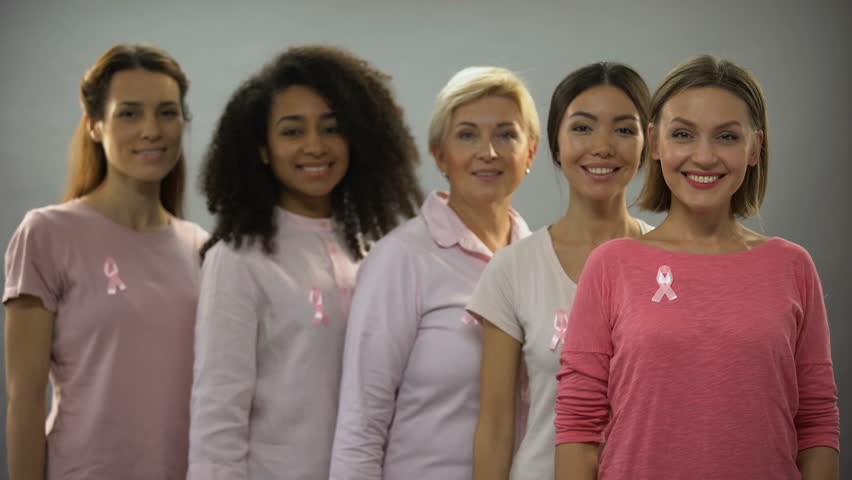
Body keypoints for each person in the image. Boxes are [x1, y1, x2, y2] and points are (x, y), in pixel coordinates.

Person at [554, 55, 840, 479]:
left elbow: (816, 421)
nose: (704, 157)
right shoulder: (612, 266)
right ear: (655, 143)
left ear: (755, 148)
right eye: (683, 134)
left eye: (726, 136)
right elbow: (579, 424)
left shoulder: (793, 267)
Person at [187, 45, 423, 480]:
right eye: (292, 132)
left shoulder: (374, 253)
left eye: (331, 128)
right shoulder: (238, 259)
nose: (315, 146)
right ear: (262, 148)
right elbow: (217, 414)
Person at [4, 43, 207, 480]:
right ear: (95, 125)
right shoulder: (47, 234)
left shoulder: (204, 250)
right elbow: (24, 400)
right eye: (129, 113)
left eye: (167, 112)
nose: (152, 130)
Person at [329, 66, 539, 480]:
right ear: (439, 154)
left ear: (530, 152)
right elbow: (361, 424)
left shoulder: (541, 262)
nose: (488, 151)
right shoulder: (401, 258)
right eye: (467, 134)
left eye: (506, 134)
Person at [468, 62, 653, 480]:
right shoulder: (512, 268)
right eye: (583, 128)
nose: (602, 146)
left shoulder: (673, 263)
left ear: (650, 143)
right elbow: (496, 427)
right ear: (554, 142)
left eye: (624, 129)